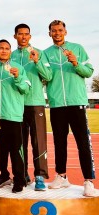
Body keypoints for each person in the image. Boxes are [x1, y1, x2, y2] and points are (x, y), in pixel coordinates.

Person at [44, 20, 98, 196]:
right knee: (59, 142)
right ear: (49, 33)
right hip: (57, 103)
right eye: (54, 31)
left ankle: (88, 180)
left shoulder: (78, 48)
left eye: (60, 30)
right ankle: (61, 176)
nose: (57, 33)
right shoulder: (46, 54)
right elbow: (46, 76)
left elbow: (88, 72)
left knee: (83, 142)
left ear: (65, 31)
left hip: (77, 102)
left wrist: (76, 63)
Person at [11, 23, 52, 190]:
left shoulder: (39, 53)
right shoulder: (11, 56)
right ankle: (22, 175)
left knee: (38, 142)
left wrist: (37, 62)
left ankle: (40, 176)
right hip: (17, 105)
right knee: (19, 143)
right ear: (15, 36)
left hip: (35, 103)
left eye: (26, 34)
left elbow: (48, 76)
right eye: (20, 34)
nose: (23, 37)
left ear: (30, 36)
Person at [0, 39, 30, 193]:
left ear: (10, 51)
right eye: (1, 48)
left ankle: (19, 179)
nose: (4, 51)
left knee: (16, 150)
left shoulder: (18, 68)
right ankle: (3, 176)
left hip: (13, 116)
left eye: (7, 48)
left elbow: (25, 89)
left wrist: (17, 77)